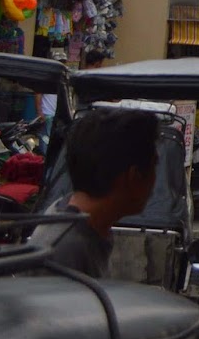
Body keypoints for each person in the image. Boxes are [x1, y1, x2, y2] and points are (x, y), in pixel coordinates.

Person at [41, 107, 159, 277]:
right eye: (155, 167)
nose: (155, 180)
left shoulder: (85, 227)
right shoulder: (67, 251)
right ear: (133, 176)